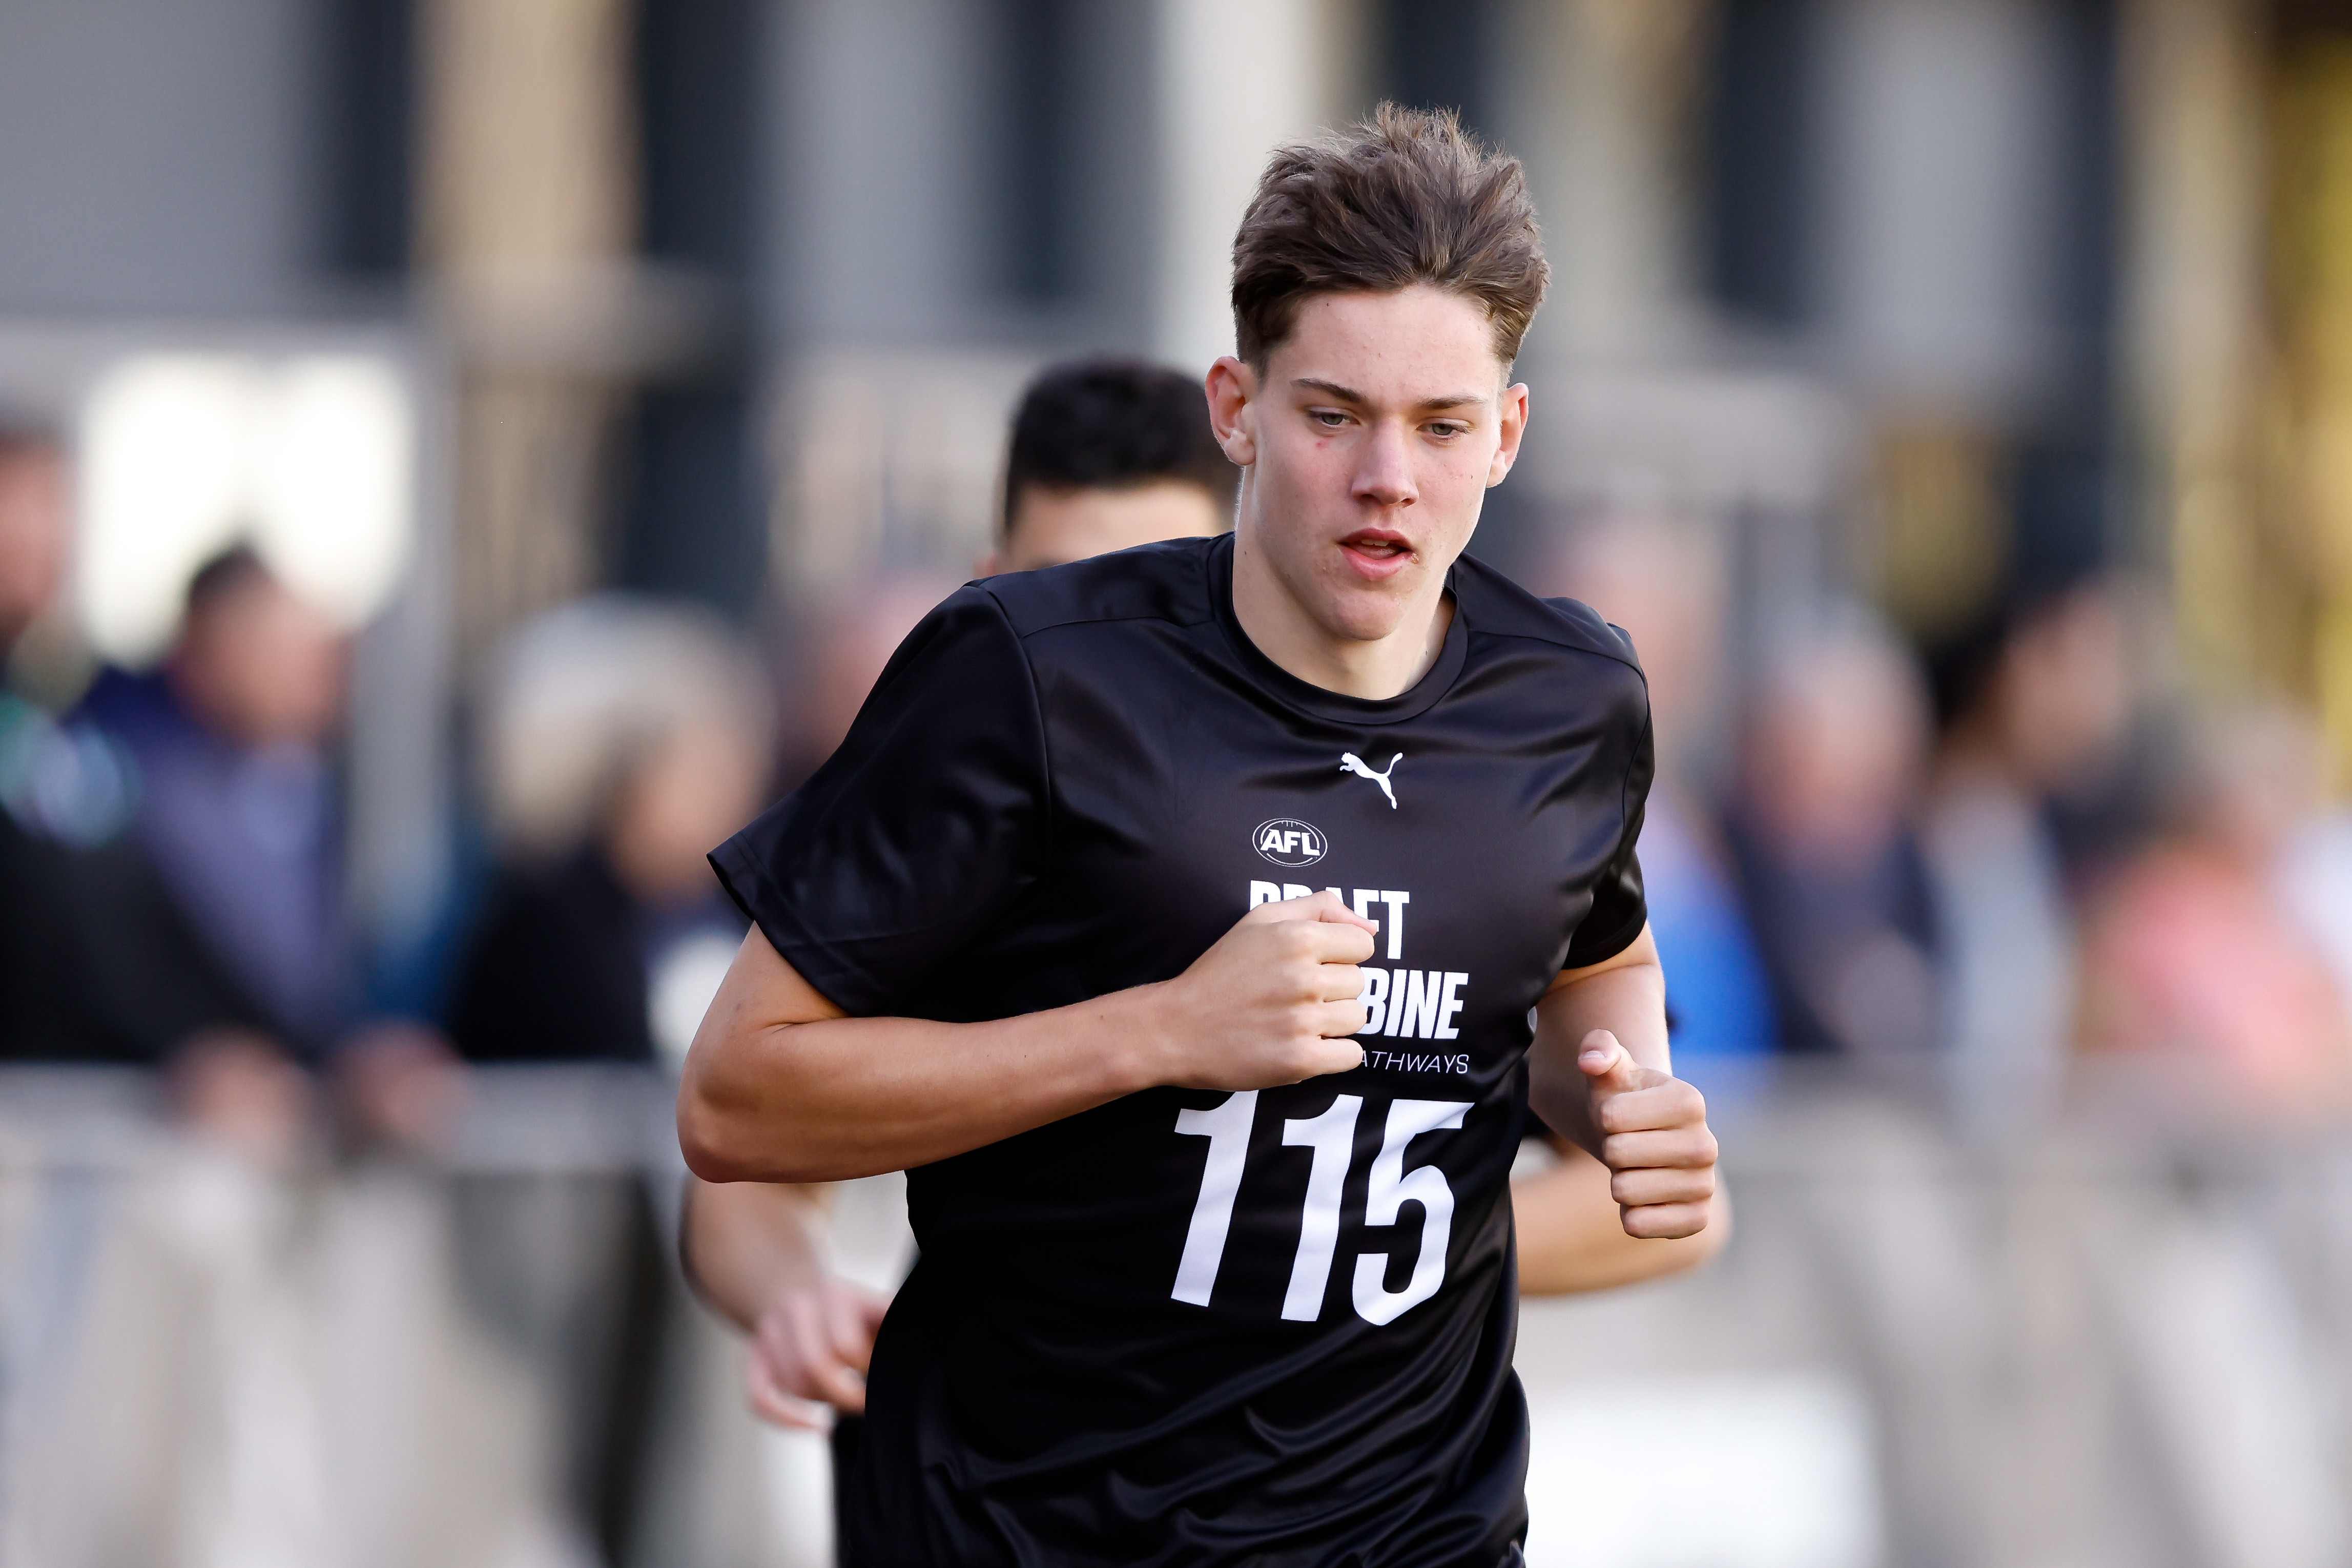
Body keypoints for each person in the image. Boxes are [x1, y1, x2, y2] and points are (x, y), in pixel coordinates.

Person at [677, 107, 1718, 1566]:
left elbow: (1593, 956)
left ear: (1510, 433)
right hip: (1036, 1524)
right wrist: (1164, 1029)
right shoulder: (1029, 672)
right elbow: (733, 1103)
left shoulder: (1576, 694)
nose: (1389, 481)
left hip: (1422, 1530)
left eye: (1443, 426)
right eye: (1332, 415)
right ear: (1236, 407)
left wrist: (1632, 1097)